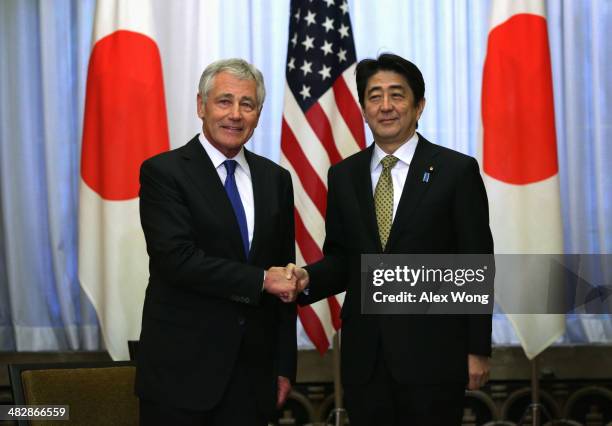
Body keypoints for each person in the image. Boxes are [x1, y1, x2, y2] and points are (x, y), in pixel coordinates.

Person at [287, 53, 494, 426]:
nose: (386, 106)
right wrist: (307, 279)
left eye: (397, 95)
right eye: (374, 96)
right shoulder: (343, 176)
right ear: (364, 108)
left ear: (419, 106)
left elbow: (476, 265)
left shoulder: (456, 171)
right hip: (366, 361)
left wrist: (477, 349)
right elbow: (342, 261)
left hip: (434, 358)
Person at [135, 58, 297, 426]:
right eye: (224, 101)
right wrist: (260, 280)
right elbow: (176, 260)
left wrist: (284, 365)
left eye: (248, 104)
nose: (236, 114)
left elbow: (283, 275)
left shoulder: (276, 180)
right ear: (200, 106)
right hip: (182, 377)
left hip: (253, 379)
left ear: (258, 114)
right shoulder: (164, 172)